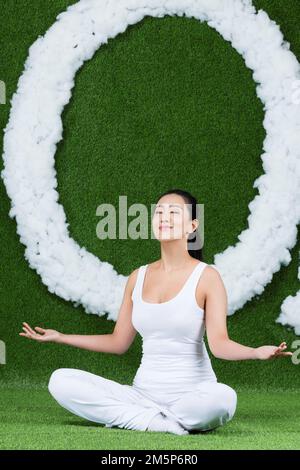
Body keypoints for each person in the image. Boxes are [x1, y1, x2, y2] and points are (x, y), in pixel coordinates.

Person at [19, 188, 293, 435]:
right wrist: (61, 336)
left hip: (193, 396)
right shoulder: (137, 277)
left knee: (223, 399)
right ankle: (157, 421)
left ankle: (149, 420)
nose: (163, 217)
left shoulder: (207, 277)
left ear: (192, 226)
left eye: (174, 212)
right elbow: (118, 342)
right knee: (61, 381)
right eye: (159, 212)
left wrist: (256, 352)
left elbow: (219, 345)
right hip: (142, 395)